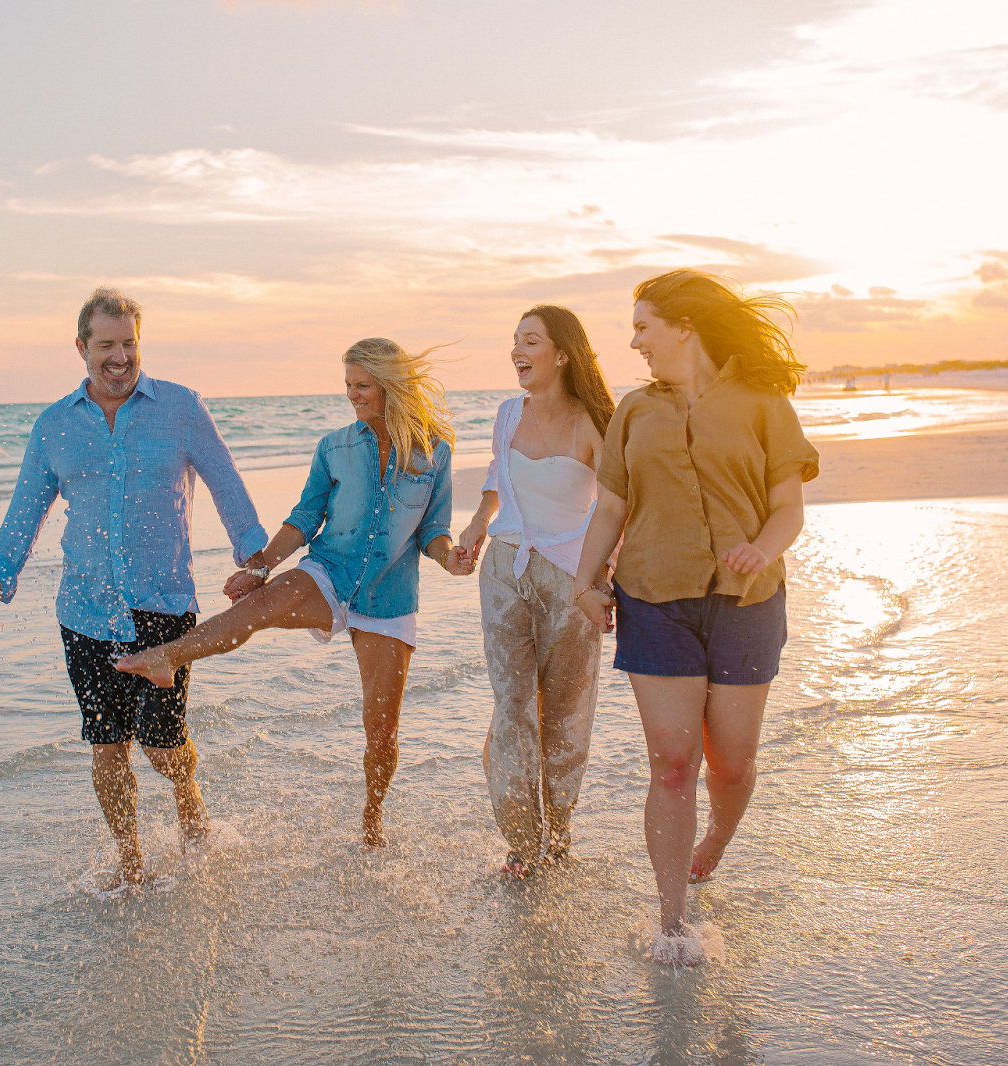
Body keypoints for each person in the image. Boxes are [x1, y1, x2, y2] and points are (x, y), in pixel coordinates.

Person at [0, 288, 270, 892]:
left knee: (161, 743)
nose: (120, 357)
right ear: (81, 348)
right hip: (85, 613)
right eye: (107, 345)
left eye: (129, 344)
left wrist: (254, 568)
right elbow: (21, 522)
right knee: (107, 748)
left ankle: (190, 804)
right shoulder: (53, 426)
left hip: (163, 607)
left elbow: (229, 490)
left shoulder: (180, 408)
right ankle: (132, 866)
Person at [117, 338, 466, 847]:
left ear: (392, 385)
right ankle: (165, 657)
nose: (352, 395)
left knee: (382, 734)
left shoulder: (434, 452)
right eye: (347, 385)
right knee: (258, 607)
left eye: (363, 385)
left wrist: (449, 557)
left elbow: (433, 529)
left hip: (389, 596)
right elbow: (306, 516)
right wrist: (259, 566)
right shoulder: (334, 447)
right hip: (329, 570)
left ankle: (372, 821)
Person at [571, 269, 819, 962]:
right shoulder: (634, 411)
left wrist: (759, 549)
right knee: (673, 762)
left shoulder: (763, 402)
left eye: (645, 325)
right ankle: (672, 921)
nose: (635, 340)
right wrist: (584, 584)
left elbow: (787, 507)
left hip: (747, 602)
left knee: (731, 766)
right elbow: (611, 508)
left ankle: (715, 840)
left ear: (685, 325)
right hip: (653, 598)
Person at [455, 305, 617, 878]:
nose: (518, 351)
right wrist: (476, 527)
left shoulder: (594, 421)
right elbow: (498, 480)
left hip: (573, 578)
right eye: (515, 341)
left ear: (563, 354)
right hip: (504, 571)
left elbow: (619, 504)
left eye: (531, 341)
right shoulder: (506, 414)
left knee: (566, 715)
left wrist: (603, 576)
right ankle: (522, 844)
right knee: (513, 706)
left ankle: (559, 835)